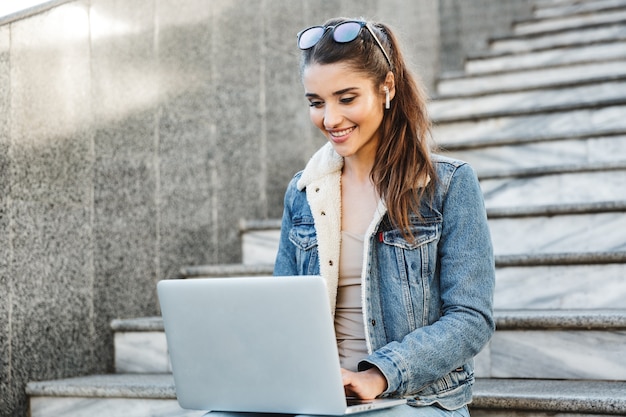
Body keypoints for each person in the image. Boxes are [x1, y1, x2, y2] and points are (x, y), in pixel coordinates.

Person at [273, 17, 496, 416]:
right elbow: (282, 311)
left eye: (346, 98)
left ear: (387, 88)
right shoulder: (303, 192)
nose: (330, 119)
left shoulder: (448, 186)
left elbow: (470, 319)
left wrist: (379, 375)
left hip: (416, 398)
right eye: (316, 102)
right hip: (321, 397)